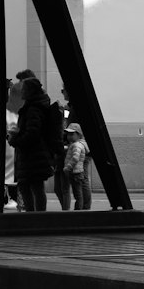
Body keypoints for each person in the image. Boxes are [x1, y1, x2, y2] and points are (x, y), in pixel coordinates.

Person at [13, 76, 57, 211]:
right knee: (33, 186)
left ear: (30, 91)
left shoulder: (33, 109)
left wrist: (16, 140)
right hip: (35, 154)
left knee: (29, 186)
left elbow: (32, 133)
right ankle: (36, 215)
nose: (22, 92)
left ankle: (33, 216)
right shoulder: (36, 107)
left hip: (32, 155)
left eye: (24, 89)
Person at [64, 123, 92, 209]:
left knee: (78, 193)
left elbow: (75, 158)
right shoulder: (77, 143)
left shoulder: (77, 145)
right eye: (68, 134)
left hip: (76, 171)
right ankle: (83, 207)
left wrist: (68, 167)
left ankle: (80, 209)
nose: (69, 136)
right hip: (77, 169)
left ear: (79, 135)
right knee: (80, 189)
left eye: (72, 134)